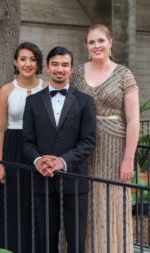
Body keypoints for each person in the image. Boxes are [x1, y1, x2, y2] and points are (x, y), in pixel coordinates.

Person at [71, 24, 139, 253]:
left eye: (101, 41)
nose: (97, 46)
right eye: (92, 42)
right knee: (84, 200)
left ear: (110, 43)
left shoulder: (124, 74)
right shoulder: (77, 72)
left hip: (114, 148)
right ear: (86, 46)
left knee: (111, 201)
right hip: (82, 147)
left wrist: (128, 159)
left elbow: (133, 120)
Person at [23, 46, 96, 253]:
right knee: (46, 239)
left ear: (71, 69)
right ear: (47, 67)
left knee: (76, 239)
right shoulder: (33, 102)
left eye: (65, 65)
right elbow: (27, 142)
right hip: (42, 180)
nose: (59, 69)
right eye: (55, 64)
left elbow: (88, 141)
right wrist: (39, 161)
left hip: (74, 179)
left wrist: (61, 161)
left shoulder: (85, 102)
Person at [0, 42, 47, 253]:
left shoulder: (47, 88)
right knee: (13, 204)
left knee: (39, 204)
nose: (27, 64)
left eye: (32, 59)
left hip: (40, 150)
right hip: (13, 151)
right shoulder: (7, 90)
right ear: (15, 62)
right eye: (23, 59)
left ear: (38, 63)